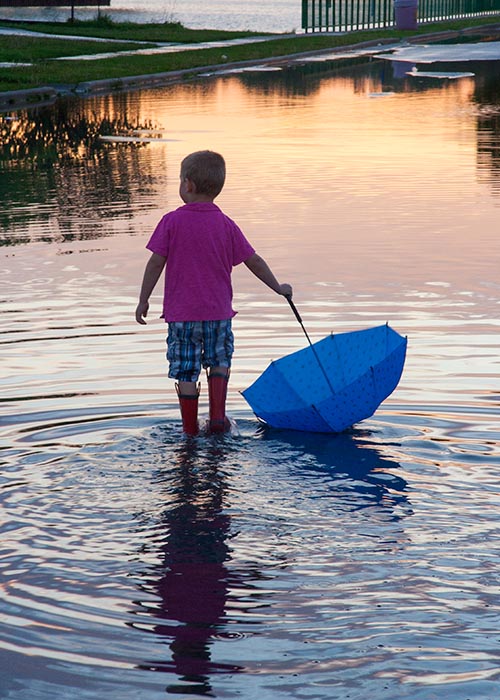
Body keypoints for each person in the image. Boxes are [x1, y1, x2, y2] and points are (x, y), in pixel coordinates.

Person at [135, 150, 292, 436]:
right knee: (219, 360)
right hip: (218, 314)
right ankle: (217, 419)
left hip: (181, 317)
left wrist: (143, 299)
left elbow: (156, 261)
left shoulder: (171, 221)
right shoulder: (226, 224)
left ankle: (189, 429)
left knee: (185, 368)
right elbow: (253, 261)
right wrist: (278, 287)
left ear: (188, 185)